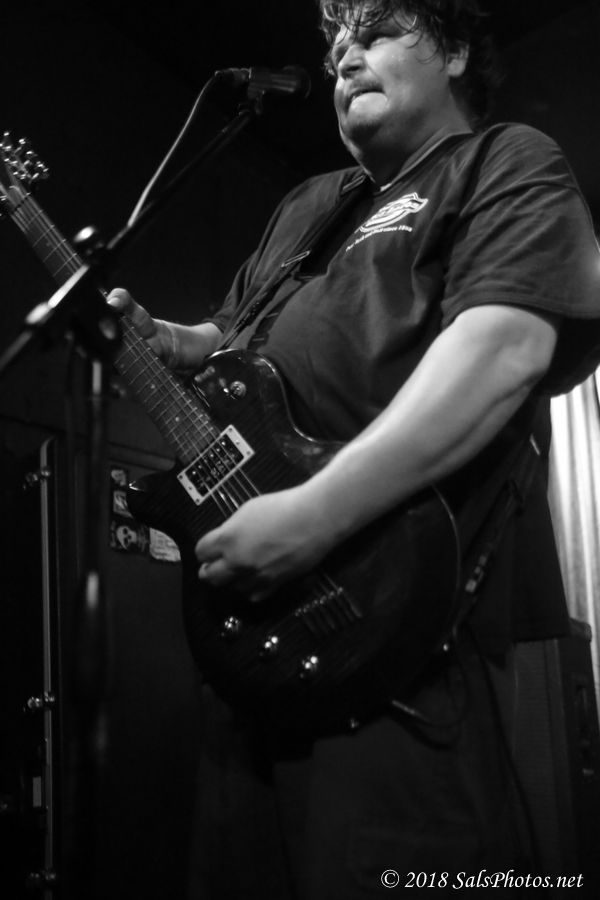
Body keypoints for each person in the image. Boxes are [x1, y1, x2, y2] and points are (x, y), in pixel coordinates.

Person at [109, 1, 600, 896]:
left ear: (454, 52)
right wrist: (170, 340)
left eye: (375, 34)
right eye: (337, 44)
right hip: (260, 648)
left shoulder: (504, 158)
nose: (345, 57)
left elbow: (504, 347)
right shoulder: (311, 206)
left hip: (399, 635)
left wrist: (313, 515)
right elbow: (231, 342)